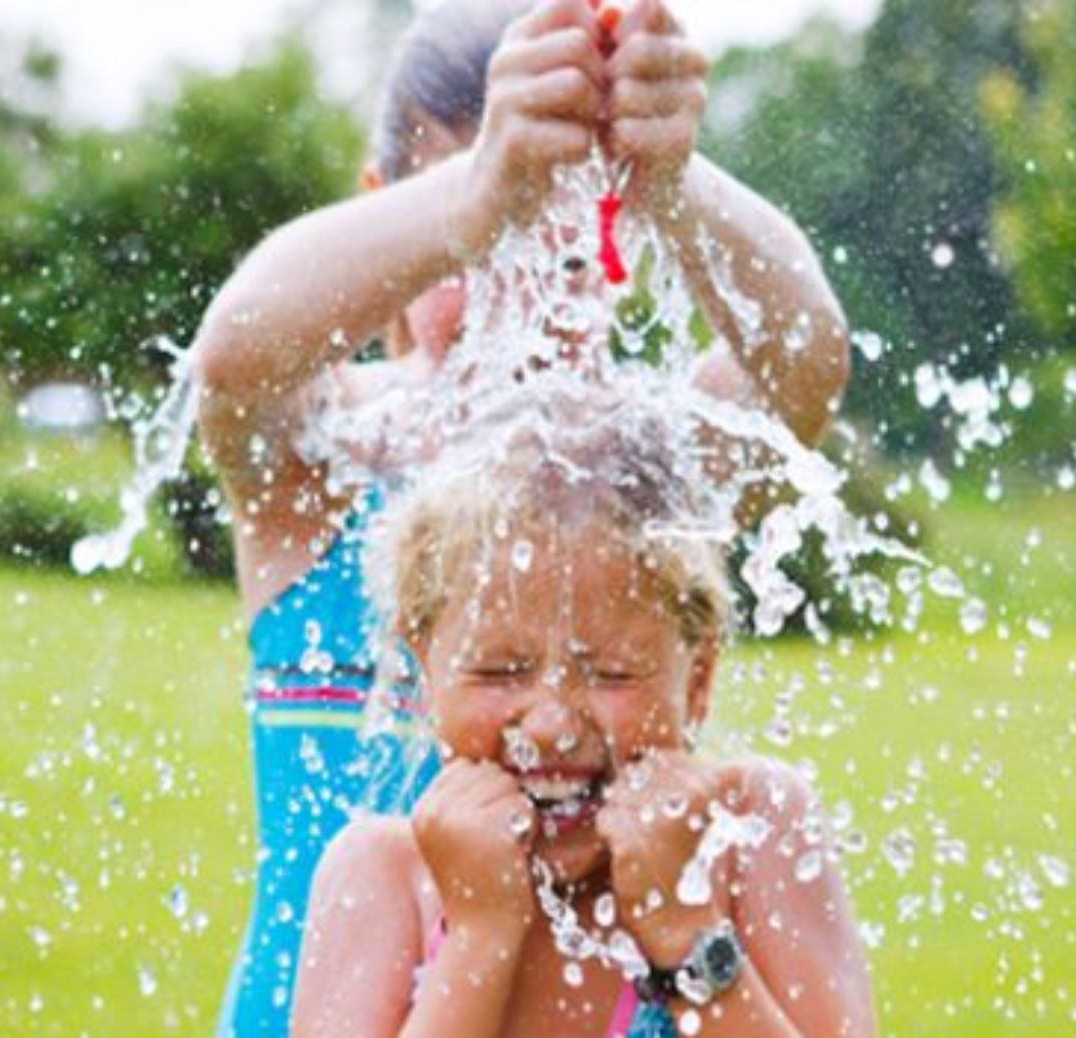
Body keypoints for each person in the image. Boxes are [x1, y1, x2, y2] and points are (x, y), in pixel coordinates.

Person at [190, 0, 851, 1030]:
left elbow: (804, 364)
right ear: (391, 219)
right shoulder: (326, 468)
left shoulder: (645, 481)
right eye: (475, 241)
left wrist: (673, 181)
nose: (513, 288)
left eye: (554, 238)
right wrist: (484, 186)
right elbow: (233, 356)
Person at [292, 396, 877, 1037]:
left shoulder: (750, 835)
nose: (551, 725)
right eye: (497, 671)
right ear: (425, 670)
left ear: (699, 680)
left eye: (612, 673)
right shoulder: (382, 877)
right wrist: (480, 935)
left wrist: (685, 932)